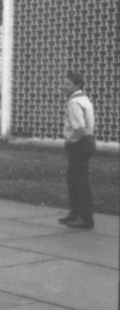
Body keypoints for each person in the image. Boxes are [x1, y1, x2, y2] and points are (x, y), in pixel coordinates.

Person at [58, 70, 95, 229]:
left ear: (77, 85)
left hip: (79, 143)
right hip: (87, 141)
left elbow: (79, 127)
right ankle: (75, 213)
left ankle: (85, 218)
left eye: (67, 84)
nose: (63, 86)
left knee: (78, 181)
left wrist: (70, 140)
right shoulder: (84, 99)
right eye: (63, 83)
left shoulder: (74, 102)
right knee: (75, 179)